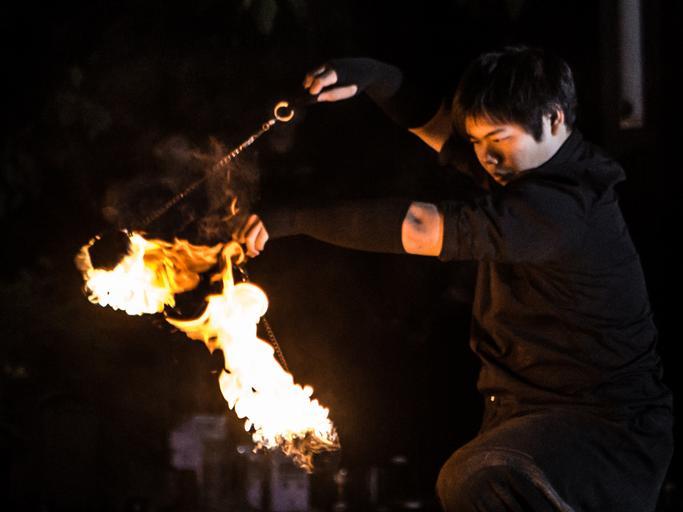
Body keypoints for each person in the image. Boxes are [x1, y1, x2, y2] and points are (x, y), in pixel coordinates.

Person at [236, 47, 674, 511]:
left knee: (471, 475)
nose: (487, 157)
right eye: (477, 141)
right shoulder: (526, 168)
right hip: (531, 419)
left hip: (604, 434)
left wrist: (294, 219)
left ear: (554, 117)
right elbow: (435, 123)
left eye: (498, 140)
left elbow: (421, 227)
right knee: (474, 474)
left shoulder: (562, 208)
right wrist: (371, 75)